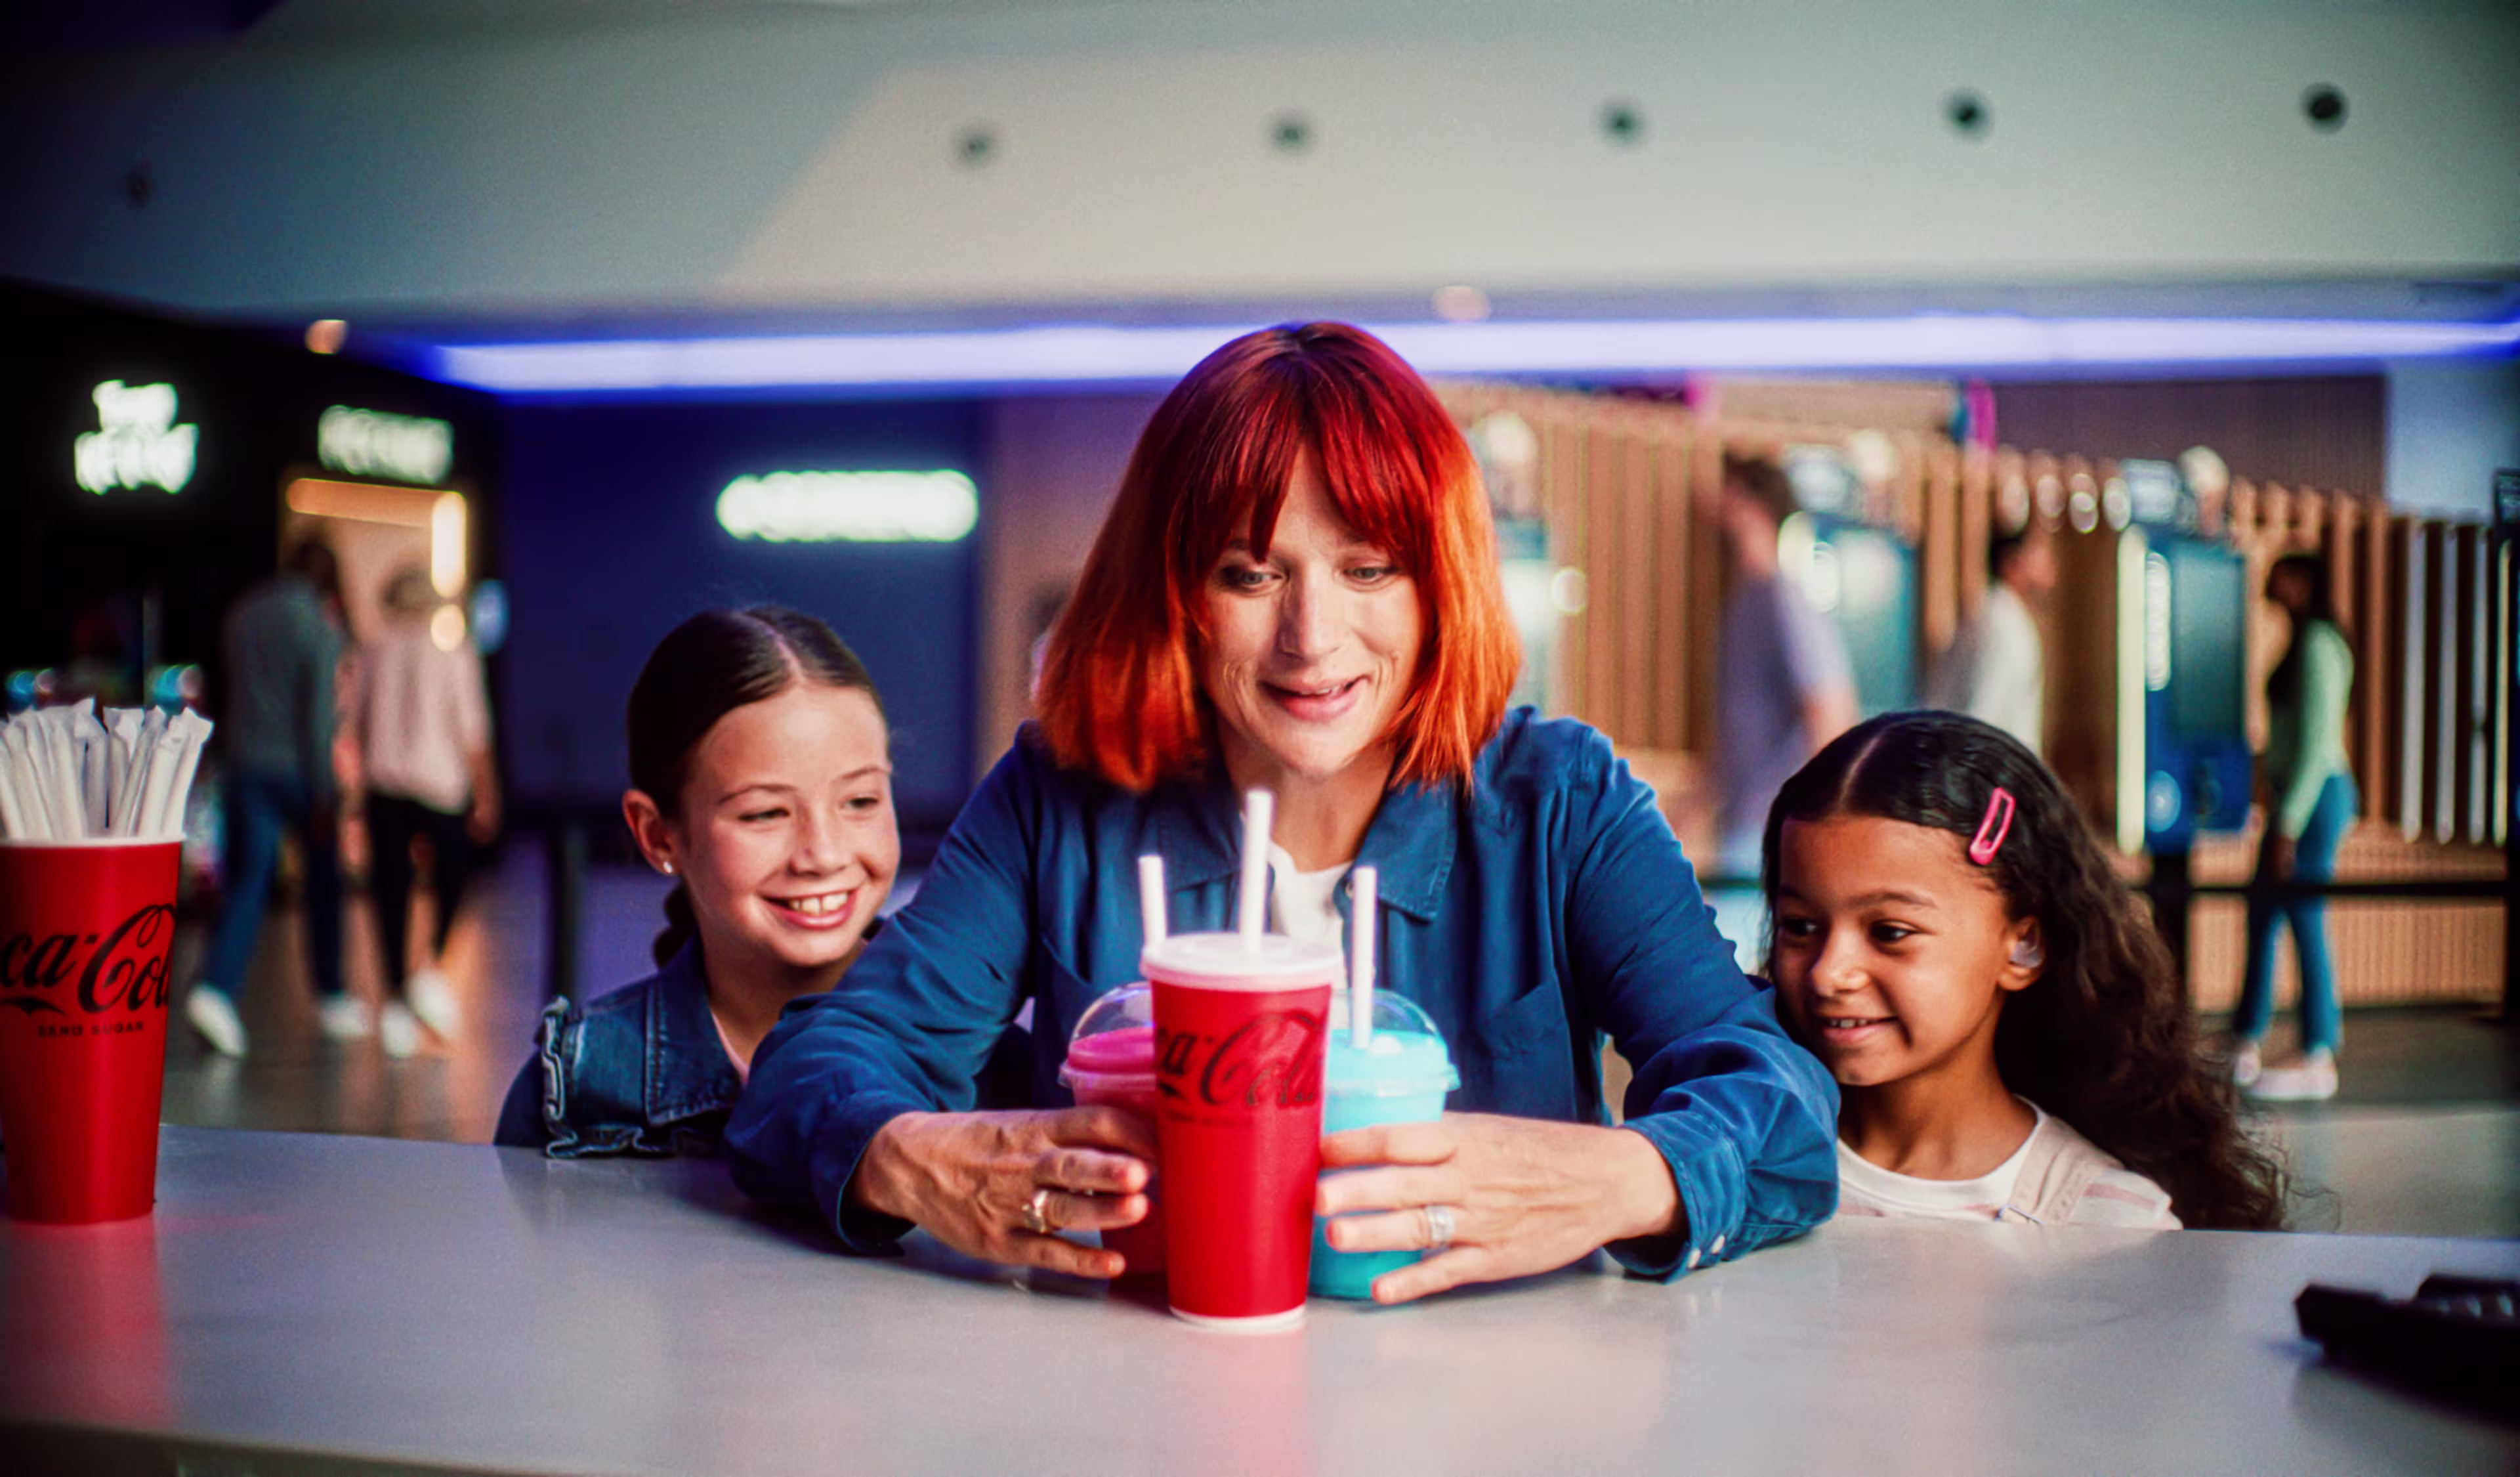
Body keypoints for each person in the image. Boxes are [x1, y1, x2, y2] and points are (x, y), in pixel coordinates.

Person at [726, 323, 1839, 1304]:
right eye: (1251, 575)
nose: (1314, 638)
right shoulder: (1059, 798)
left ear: (1441, 583)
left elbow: (1776, 1094)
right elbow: (821, 1064)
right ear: (1174, 594)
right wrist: (904, 1156)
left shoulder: (1559, 802)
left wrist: (1633, 1177)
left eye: (1368, 569)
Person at [1765, 710, 2286, 1229]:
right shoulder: (1735, 1169)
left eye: (1890, 932)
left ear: (2024, 947)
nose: (1828, 974)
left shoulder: (2107, 1221)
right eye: (1801, 926)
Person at [494, 607, 899, 1156]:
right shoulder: (578, 1087)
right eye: (764, 814)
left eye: (861, 801)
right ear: (659, 835)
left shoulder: (984, 1065)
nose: (823, 854)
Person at [186, 538, 351, 1058]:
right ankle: (331, 995)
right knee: (325, 881)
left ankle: (215, 989)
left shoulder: (243, 612)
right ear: (326, 578)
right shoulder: (318, 626)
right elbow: (318, 718)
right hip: (297, 770)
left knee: (249, 880)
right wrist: (325, 792)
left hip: (242, 762)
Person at [1708, 452, 1857, 966]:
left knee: (1728, 978)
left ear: (1752, 505)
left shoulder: (1782, 597)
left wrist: (1789, 808)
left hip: (1762, 828)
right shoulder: (1745, 599)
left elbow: (1831, 713)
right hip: (1743, 822)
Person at [352, 568, 498, 1058]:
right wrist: (487, 793)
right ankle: (430, 968)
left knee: (389, 893)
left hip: (386, 784)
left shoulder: (373, 650)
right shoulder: (452, 654)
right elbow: (474, 732)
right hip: (440, 786)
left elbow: (359, 720)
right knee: (453, 881)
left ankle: (396, 995)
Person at [2235, 553, 2357, 1102]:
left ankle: (2318, 1050)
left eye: (2281, 573)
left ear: (2304, 583)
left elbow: (2315, 747)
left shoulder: (2320, 647)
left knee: (2304, 914)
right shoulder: (2302, 642)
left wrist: (2288, 823)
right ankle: (2247, 1038)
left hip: (2313, 798)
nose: (2270, 580)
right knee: (2263, 912)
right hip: (2297, 799)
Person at [1924, 521, 2056, 756]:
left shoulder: (1999, 615)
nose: (2050, 569)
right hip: (1991, 775)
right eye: (2040, 558)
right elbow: (1983, 712)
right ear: (2013, 563)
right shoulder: (2000, 624)